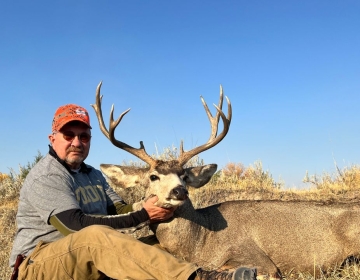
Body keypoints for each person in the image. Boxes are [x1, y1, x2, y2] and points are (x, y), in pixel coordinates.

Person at [9, 104, 257, 280]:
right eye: (68, 135)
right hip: (38, 266)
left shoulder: (93, 174)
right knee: (95, 236)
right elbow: (75, 227)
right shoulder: (47, 176)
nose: (76, 142)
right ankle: (199, 278)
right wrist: (144, 215)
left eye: (83, 136)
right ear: (53, 138)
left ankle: (217, 268)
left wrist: (151, 204)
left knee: (159, 243)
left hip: (85, 261)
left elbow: (120, 211)